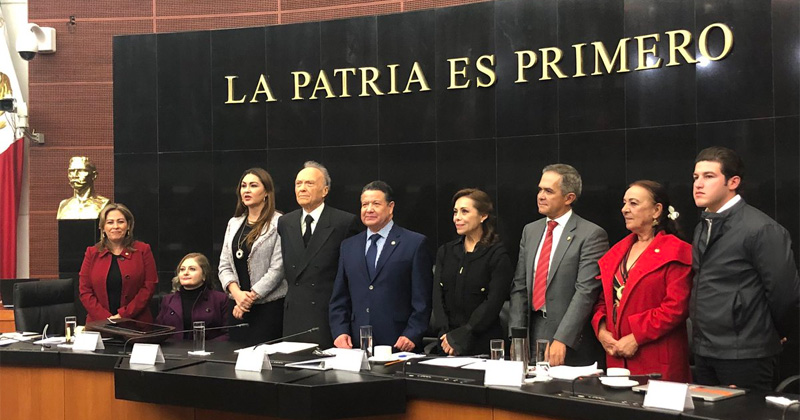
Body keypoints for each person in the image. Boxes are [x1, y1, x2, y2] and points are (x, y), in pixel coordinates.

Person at [690, 146, 800, 391]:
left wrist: (777, 331)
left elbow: (784, 292)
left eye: (709, 176)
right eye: (696, 177)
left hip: (746, 352)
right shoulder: (703, 225)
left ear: (733, 182)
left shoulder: (761, 228)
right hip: (705, 349)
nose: (698, 184)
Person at [591, 181, 692, 382]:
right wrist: (601, 331)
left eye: (633, 203)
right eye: (624, 202)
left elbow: (675, 308)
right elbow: (603, 300)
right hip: (617, 357)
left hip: (657, 358)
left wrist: (636, 337)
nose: (624, 209)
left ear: (656, 210)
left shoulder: (676, 251)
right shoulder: (618, 251)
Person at [509, 164, 608, 367]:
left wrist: (563, 338)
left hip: (567, 338)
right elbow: (519, 287)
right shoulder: (530, 231)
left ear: (569, 198)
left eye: (548, 191)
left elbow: (585, 292)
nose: (540, 196)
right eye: (540, 189)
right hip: (531, 330)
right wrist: (517, 337)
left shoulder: (590, 234)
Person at [329, 181, 433, 351]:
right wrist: (340, 331)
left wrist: (412, 333)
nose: (369, 209)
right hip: (356, 343)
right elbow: (340, 296)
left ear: (390, 207)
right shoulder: (349, 246)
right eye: (365, 204)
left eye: (376, 204)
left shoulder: (414, 243)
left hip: (399, 342)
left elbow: (423, 298)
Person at [278, 161, 361, 348]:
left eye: (309, 183)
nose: (302, 188)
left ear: (325, 190)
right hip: (294, 316)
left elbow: (351, 274)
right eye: (298, 184)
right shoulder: (285, 222)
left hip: (326, 315)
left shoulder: (344, 222)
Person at [433, 188, 512, 356]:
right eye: (455, 212)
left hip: (482, 344)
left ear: (483, 216)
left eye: (465, 211)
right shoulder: (446, 252)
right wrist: (446, 335)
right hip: (446, 342)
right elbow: (437, 296)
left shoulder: (497, 254)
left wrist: (464, 333)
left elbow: (493, 303)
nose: (457, 217)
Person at [218, 168, 286, 346]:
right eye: (243, 186)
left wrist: (248, 299)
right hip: (236, 307)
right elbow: (224, 265)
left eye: (253, 185)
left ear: (266, 192)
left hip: (268, 308)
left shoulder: (279, 222)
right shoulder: (233, 223)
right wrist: (237, 295)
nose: (246, 190)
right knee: (236, 357)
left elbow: (278, 269)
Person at [79, 203, 157, 323]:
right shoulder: (92, 253)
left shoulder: (143, 250)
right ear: (102, 227)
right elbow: (85, 291)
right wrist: (106, 319)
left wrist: (123, 315)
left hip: (136, 324)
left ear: (128, 225)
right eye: (110, 222)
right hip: (99, 325)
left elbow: (149, 287)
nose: (115, 226)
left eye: (120, 222)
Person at [156, 253, 229, 341]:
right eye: (182, 269)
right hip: (174, 349)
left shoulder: (220, 299)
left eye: (192, 269)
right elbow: (159, 331)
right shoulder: (168, 300)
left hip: (209, 348)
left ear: (204, 275)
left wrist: (207, 346)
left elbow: (227, 334)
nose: (186, 273)